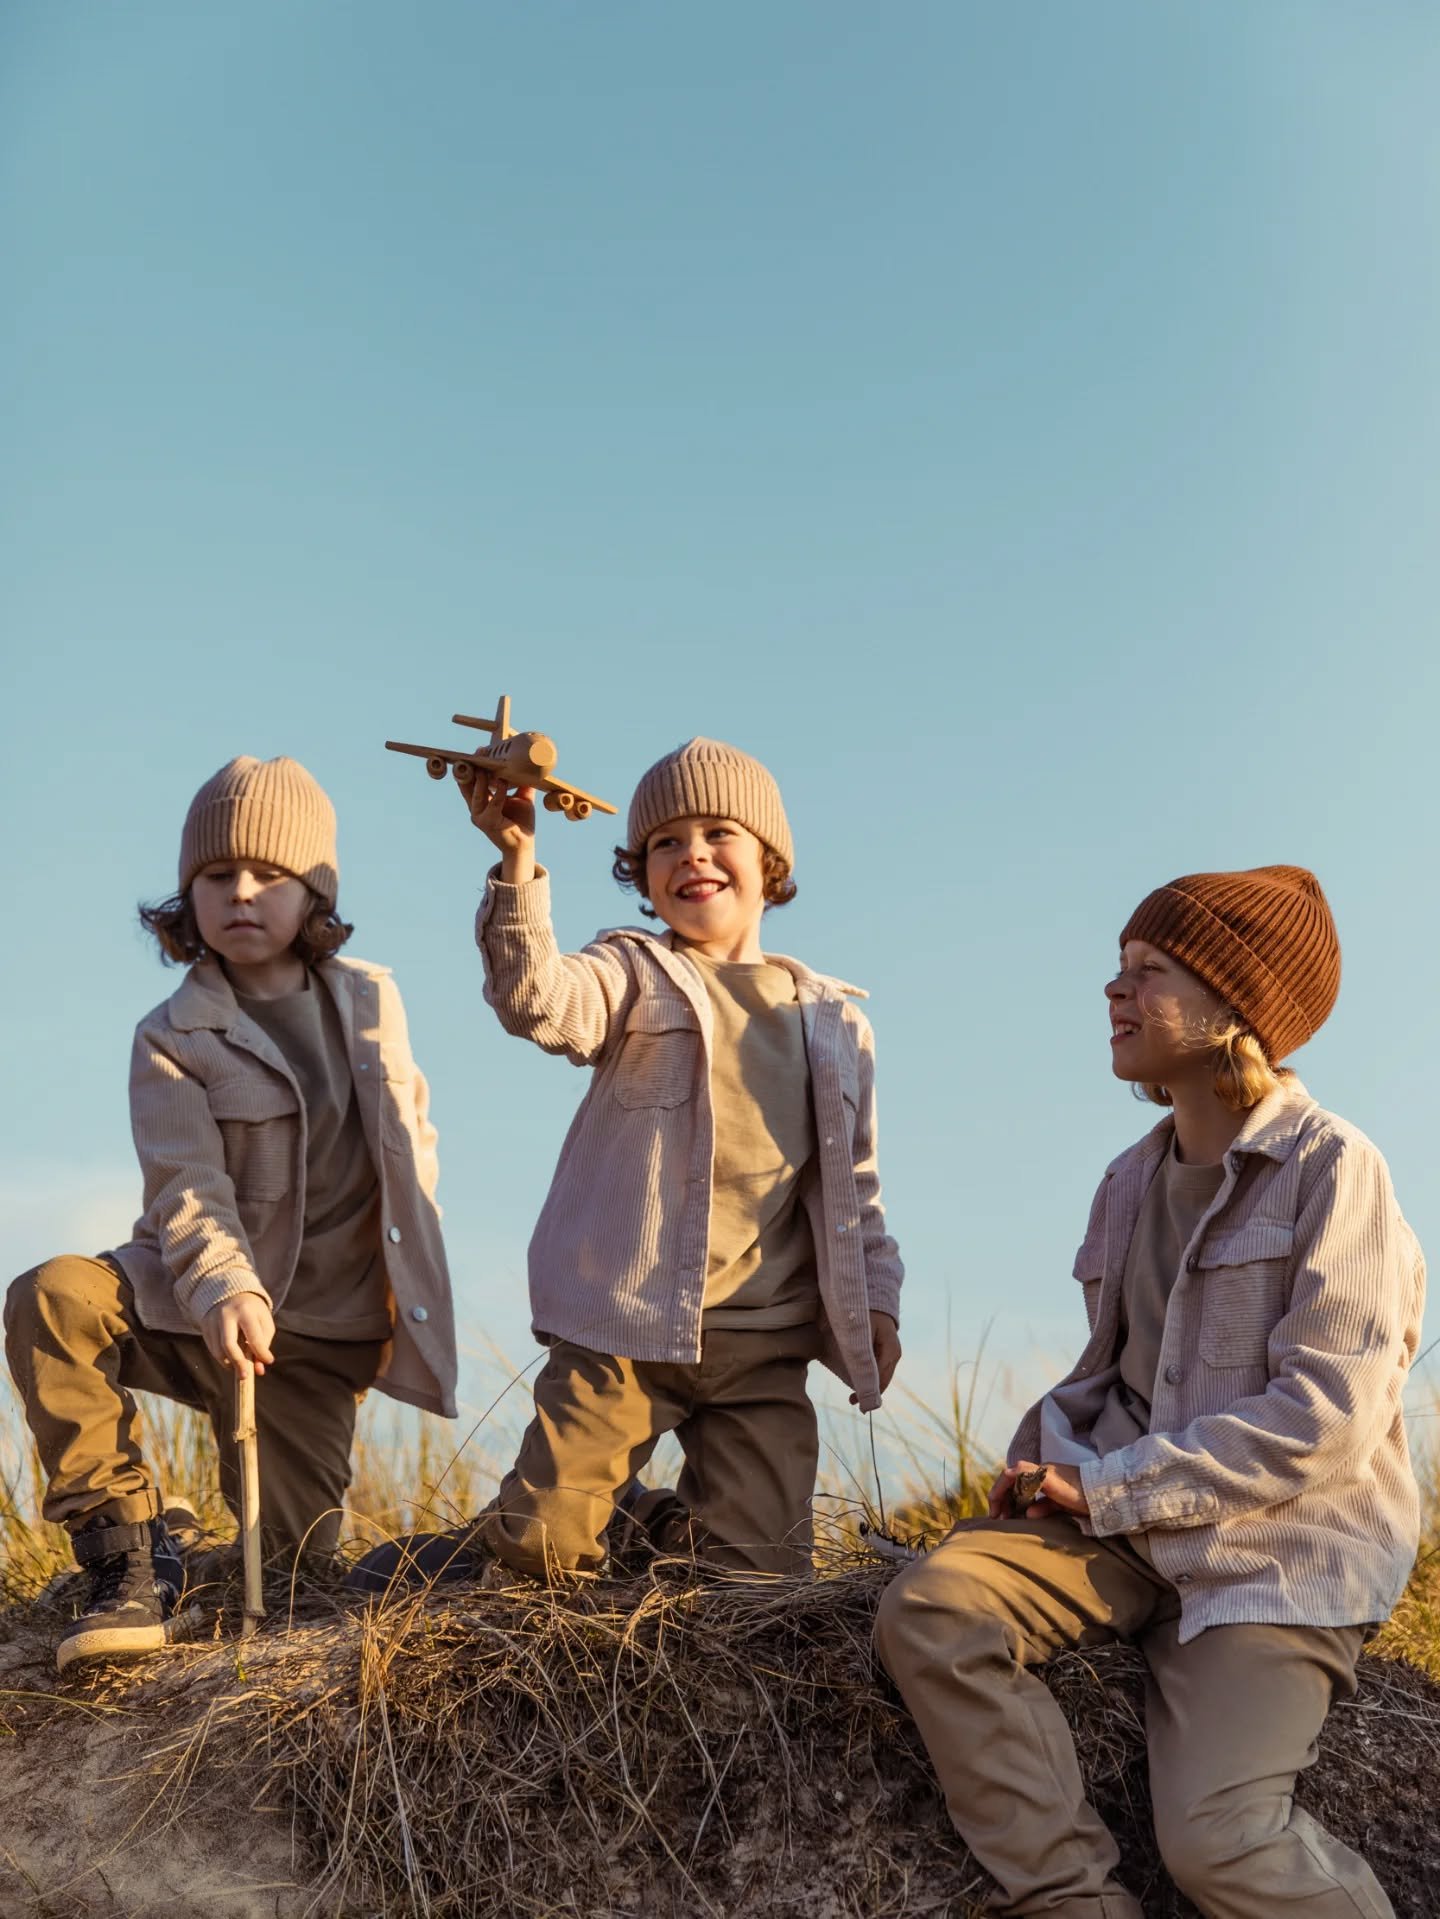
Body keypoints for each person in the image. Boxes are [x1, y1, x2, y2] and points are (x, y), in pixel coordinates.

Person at [874, 865, 1424, 1919]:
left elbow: (1325, 1417)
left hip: (1272, 1555)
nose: (1114, 991)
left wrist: (1111, 1487)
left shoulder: (1335, 1167)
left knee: (1222, 1844)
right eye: (1117, 967)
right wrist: (1054, 1464)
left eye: (1148, 969)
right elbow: (1124, 1375)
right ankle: (1075, 1901)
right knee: (936, 1607)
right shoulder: (1127, 1179)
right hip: (1129, 1526)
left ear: (1233, 1006)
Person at [410, 736, 900, 1583]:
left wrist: (878, 1304)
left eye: (719, 833)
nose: (692, 855)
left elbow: (856, 1185)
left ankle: (661, 1533)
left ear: (770, 859)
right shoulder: (634, 971)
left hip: (763, 1339)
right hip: (626, 1327)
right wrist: (519, 860)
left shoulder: (834, 1020)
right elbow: (539, 1002)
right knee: (542, 1547)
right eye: (664, 843)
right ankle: (584, 1520)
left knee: (763, 1584)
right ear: (640, 872)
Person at [5, 756, 457, 1671]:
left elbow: (413, 1148)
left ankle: (188, 1557)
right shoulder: (170, 1034)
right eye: (216, 876)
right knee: (52, 1295)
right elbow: (187, 1182)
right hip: (192, 1303)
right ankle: (126, 1548)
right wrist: (222, 1284)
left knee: (293, 1581)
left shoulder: (373, 1001)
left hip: (318, 1340)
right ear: (187, 893)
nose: (240, 894)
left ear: (315, 893)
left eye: (268, 875)